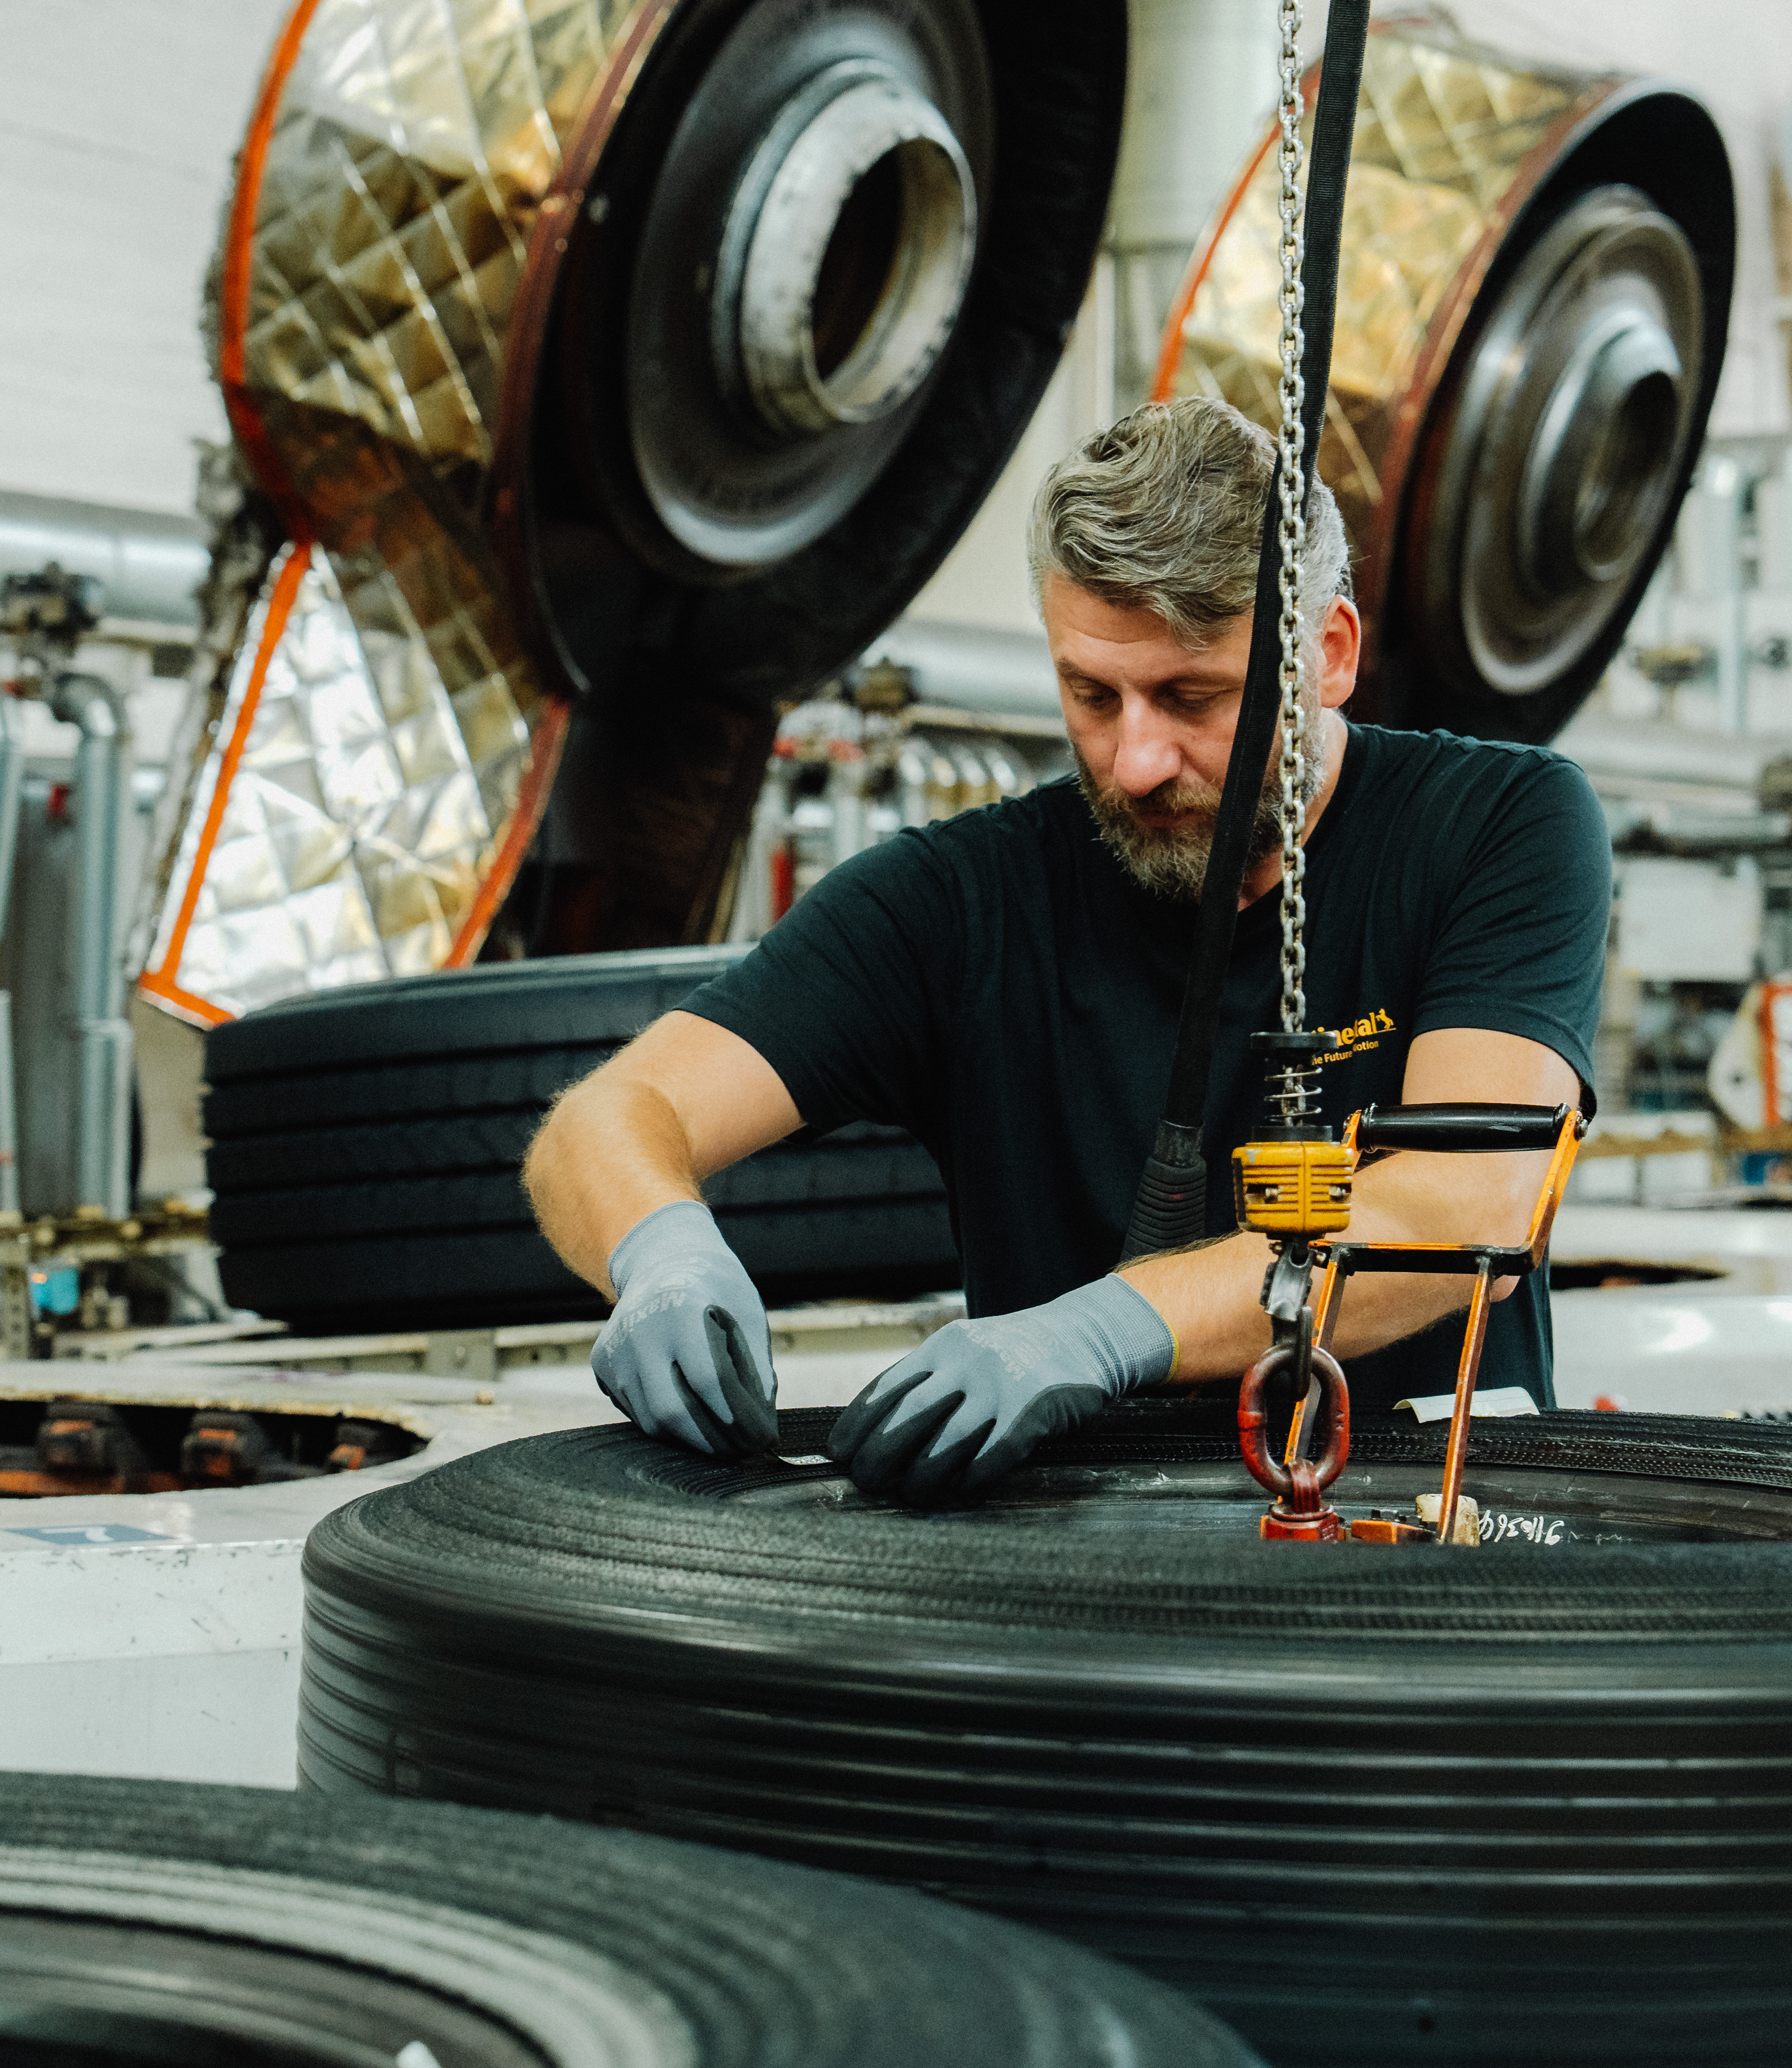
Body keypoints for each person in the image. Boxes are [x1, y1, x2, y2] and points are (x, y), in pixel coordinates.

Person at [522, 396, 1611, 1503]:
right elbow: (602, 1120)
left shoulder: (1498, 826)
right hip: (1069, 1601)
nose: (1135, 759)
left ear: (1325, 654)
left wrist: (1097, 1331)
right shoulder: (962, 900)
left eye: (1193, 696)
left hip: (1426, 1569)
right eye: (1092, 694)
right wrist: (658, 1247)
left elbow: (1462, 1206)